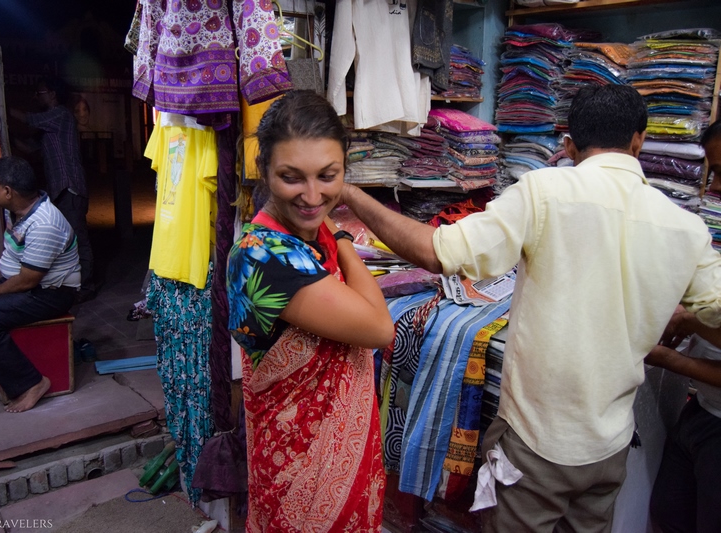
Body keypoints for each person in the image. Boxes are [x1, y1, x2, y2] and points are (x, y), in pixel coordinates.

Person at [339, 85, 721, 532]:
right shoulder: (685, 228)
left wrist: (353, 195)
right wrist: (687, 316)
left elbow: (437, 252)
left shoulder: (545, 192)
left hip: (539, 445)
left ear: (569, 146)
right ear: (639, 141)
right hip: (610, 446)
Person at [226, 90, 394, 532]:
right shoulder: (264, 255)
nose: (313, 195)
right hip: (302, 472)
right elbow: (380, 328)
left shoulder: (304, 239)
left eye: (328, 176)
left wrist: (328, 231)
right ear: (263, 168)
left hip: (334, 459)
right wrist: (341, 237)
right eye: (292, 177)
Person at [0, 157, 80, 413]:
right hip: (23, 283)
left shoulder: (45, 223)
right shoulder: (18, 208)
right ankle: (7, 362)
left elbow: (29, 279)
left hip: (50, 293)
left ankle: (33, 383)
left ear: (8, 191)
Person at [647, 119, 721, 533]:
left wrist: (669, 360)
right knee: (669, 512)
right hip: (704, 409)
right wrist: (691, 319)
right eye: (711, 173)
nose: (714, 188)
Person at [12, 77, 95, 300]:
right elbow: (29, 147)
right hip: (60, 189)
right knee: (67, 240)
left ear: (53, 94)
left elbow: (29, 119)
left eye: (40, 93)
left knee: (78, 239)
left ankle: (86, 287)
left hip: (70, 187)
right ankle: (72, 285)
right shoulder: (49, 126)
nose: (37, 97)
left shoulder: (60, 114)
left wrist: (3, 108)